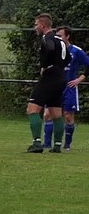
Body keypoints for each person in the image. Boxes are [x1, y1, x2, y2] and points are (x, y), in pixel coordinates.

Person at [25, 13, 71, 153]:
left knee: (32, 109)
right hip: (61, 77)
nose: (35, 27)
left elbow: (50, 48)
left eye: (36, 24)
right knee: (56, 112)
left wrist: (45, 66)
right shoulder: (60, 40)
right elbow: (68, 57)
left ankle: (37, 144)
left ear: (42, 25)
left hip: (50, 77)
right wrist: (59, 67)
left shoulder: (47, 37)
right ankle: (57, 145)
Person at [44, 27, 89, 150]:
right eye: (56, 36)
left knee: (68, 116)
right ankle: (47, 143)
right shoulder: (53, 50)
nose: (58, 38)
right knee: (47, 114)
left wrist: (80, 79)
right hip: (54, 86)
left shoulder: (76, 51)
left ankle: (67, 144)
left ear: (67, 36)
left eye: (60, 35)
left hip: (69, 87)